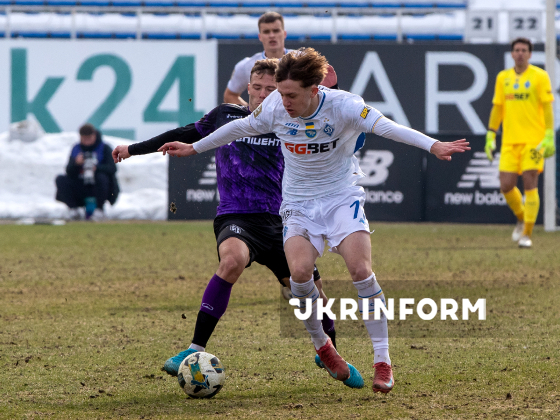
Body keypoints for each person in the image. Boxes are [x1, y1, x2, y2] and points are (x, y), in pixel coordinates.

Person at [159, 48, 470, 393]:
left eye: (291, 95)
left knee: (360, 271)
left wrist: (433, 145)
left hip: (341, 198)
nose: (284, 101)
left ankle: (382, 361)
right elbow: (239, 127)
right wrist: (194, 147)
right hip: (298, 203)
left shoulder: (345, 105)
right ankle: (324, 347)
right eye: (280, 93)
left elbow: (388, 127)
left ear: (314, 89)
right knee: (299, 274)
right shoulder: (275, 107)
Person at [112, 59, 343, 383]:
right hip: (236, 216)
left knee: (313, 293)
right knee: (232, 261)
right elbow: (183, 133)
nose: (262, 95)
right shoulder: (226, 115)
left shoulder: (290, 121)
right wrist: (133, 149)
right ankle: (193, 348)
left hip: (282, 221)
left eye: (271, 89)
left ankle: (331, 351)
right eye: (257, 88)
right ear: (247, 88)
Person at [485, 37, 556, 248]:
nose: (520, 53)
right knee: (506, 185)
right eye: (517, 50)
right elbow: (497, 107)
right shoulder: (503, 77)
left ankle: (527, 234)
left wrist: (549, 135)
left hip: (534, 141)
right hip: (509, 141)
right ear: (512, 53)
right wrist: (490, 135)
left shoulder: (540, 76)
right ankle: (521, 217)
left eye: (524, 50)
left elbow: (548, 107)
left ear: (530, 54)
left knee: (530, 182)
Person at [224, 12, 290, 106]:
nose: (271, 35)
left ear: (284, 34)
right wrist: (250, 112)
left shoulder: (300, 61)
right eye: (266, 32)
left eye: (276, 31)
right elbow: (230, 95)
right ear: (260, 36)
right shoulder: (247, 65)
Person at [55, 123, 119, 220]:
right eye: (84, 138)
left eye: (89, 138)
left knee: (102, 177)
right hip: (81, 185)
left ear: (94, 135)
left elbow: (112, 168)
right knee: (60, 179)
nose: (87, 141)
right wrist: (76, 163)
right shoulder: (76, 149)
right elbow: (68, 171)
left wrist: (96, 168)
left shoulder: (104, 148)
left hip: (99, 186)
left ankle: (99, 209)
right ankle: (74, 209)